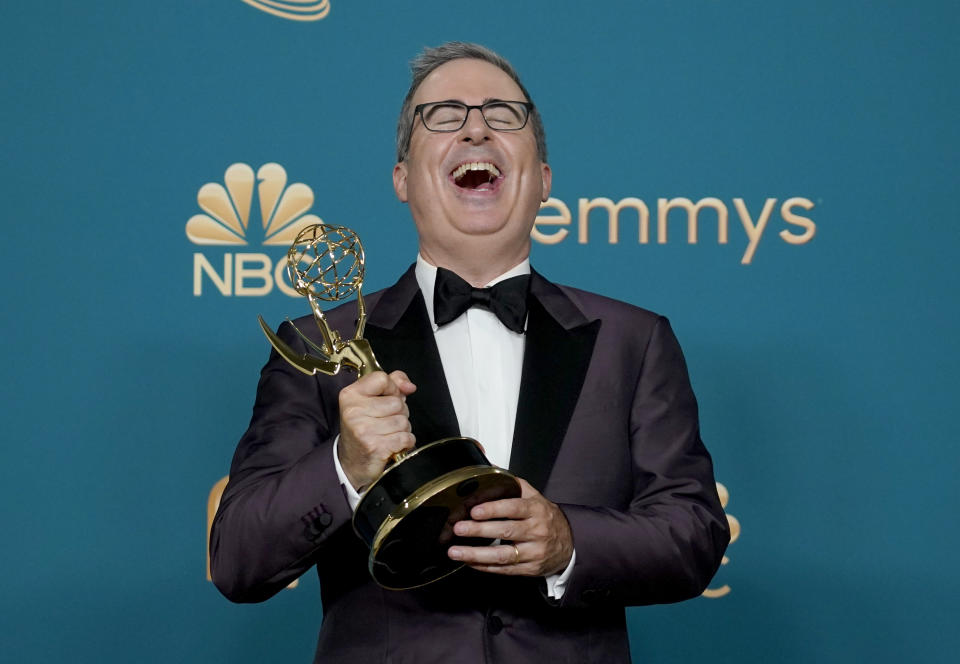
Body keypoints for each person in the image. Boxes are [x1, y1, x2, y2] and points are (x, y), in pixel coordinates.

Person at [210, 41, 730, 663]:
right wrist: (345, 466)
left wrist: (568, 543)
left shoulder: (634, 341)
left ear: (543, 180)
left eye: (504, 114)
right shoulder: (318, 344)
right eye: (444, 115)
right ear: (403, 179)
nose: (477, 128)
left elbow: (694, 534)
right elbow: (238, 560)